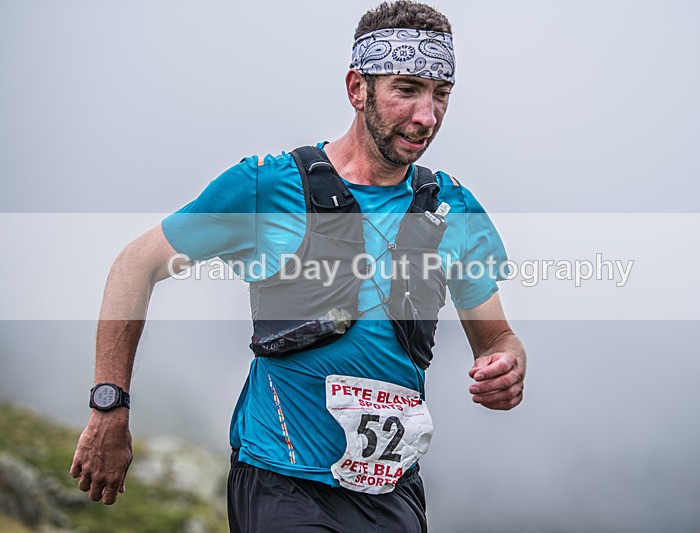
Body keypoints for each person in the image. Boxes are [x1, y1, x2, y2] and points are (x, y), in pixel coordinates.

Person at [70, 1, 526, 531]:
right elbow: (135, 264)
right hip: (279, 482)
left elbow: (497, 340)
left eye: (441, 94)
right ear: (358, 89)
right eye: (406, 89)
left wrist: (507, 366)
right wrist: (110, 405)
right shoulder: (268, 186)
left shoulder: (453, 208)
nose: (427, 116)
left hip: (389, 490)